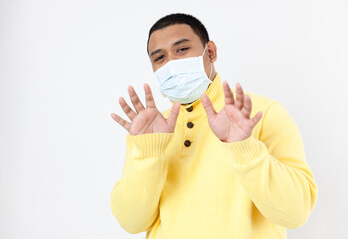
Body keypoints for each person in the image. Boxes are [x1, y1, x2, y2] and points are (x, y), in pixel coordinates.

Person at [110, 13, 318, 239]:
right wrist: (150, 152)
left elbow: (296, 213)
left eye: (181, 50)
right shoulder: (150, 131)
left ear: (210, 52)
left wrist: (244, 148)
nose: (171, 63)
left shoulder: (261, 113)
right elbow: (132, 222)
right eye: (159, 58)